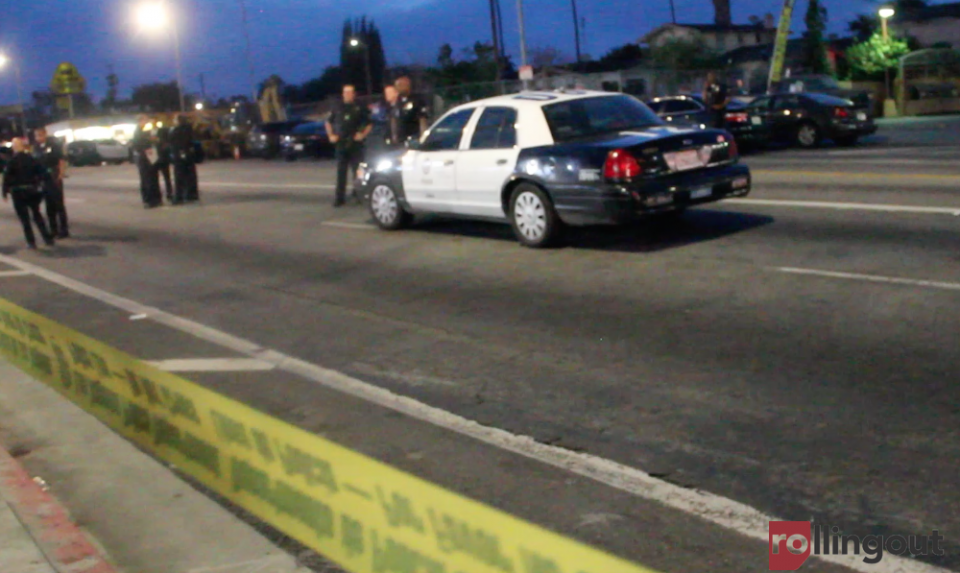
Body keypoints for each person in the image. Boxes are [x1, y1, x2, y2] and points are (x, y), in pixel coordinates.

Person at [2, 138, 55, 249]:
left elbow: (7, 178)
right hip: (32, 190)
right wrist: (42, 184)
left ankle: (31, 242)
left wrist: (5, 192)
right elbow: (43, 173)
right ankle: (47, 238)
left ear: (14, 147)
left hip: (18, 192)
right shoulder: (31, 159)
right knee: (37, 215)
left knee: (24, 219)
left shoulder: (12, 161)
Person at [325, 85, 372, 207]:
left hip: (356, 144)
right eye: (346, 92)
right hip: (341, 143)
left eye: (350, 92)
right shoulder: (337, 107)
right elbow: (328, 122)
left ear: (354, 94)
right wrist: (331, 135)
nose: (348, 94)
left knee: (359, 171)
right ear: (343, 93)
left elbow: (369, 124)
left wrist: (362, 134)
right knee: (341, 172)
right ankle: (339, 197)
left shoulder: (360, 107)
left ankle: (359, 195)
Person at [33, 128, 69, 239]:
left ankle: (64, 230)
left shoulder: (53, 145)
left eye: (40, 135)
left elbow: (61, 160)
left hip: (54, 175)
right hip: (43, 177)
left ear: (45, 134)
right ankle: (53, 230)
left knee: (58, 204)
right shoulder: (36, 148)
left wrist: (61, 173)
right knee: (49, 206)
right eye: (36, 136)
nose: (38, 138)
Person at [132, 116, 162, 208]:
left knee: (154, 177)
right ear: (140, 121)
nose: (146, 122)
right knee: (147, 178)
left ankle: (156, 198)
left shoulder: (146, 130)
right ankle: (149, 199)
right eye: (144, 120)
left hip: (151, 156)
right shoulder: (138, 132)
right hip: (144, 157)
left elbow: (155, 138)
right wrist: (145, 148)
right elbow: (137, 145)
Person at [170, 115, 199, 204]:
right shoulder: (189, 129)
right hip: (189, 154)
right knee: (190, 174)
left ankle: (179, 196)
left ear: (178, 121)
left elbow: (173, 141)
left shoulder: (177, 130)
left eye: (175, 119)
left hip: (179, 155)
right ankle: (191, 194)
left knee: (179, 176)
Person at [395, 76, 430, 144]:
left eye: (400, 85)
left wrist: (423, 136)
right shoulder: (398, 100)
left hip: (414, 136)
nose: (397, 88)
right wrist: (395, 135)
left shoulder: (417, 99)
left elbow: (422, 118)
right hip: (401, 138)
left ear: (407, 85)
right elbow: (394, 117)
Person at [155, 123, 174, 203]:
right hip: (164, 160)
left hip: (157, 160)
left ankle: (158, 194)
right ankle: (169, 193)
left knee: (155, 178)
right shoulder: (167, 144)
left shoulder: (157, 143)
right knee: (167, 177)